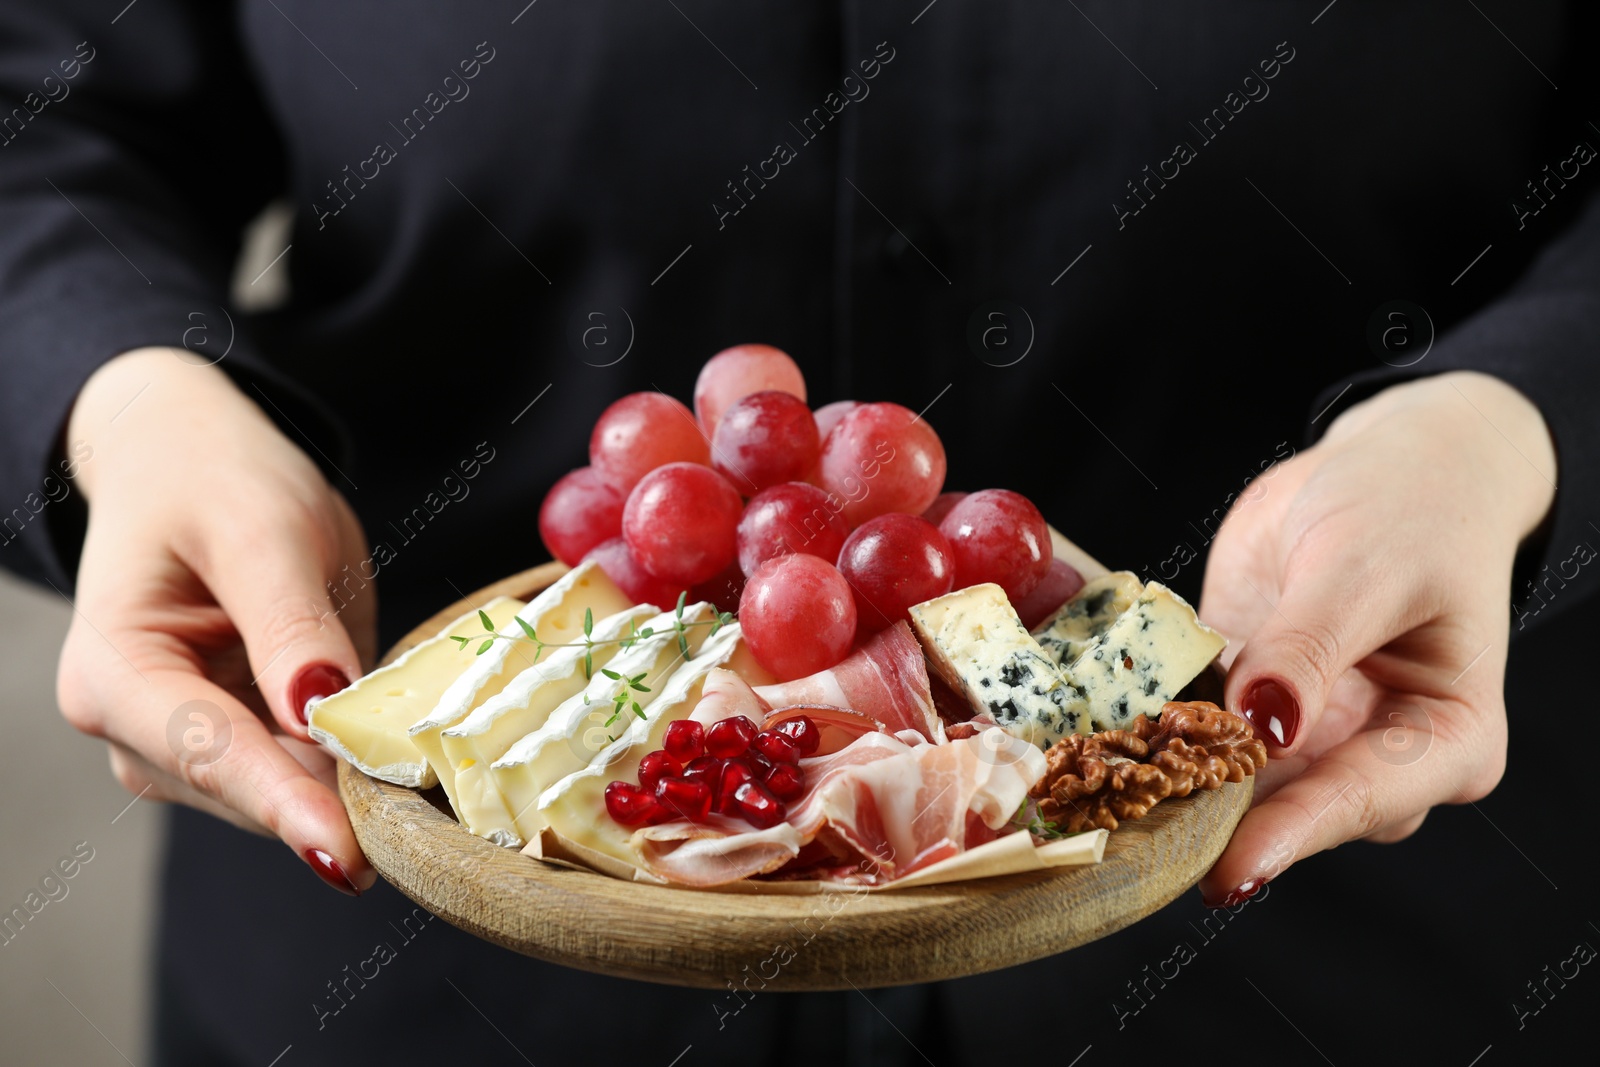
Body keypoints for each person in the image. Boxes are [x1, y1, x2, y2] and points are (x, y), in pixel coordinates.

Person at [2, 3, 1594, 1064]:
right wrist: (120, 396)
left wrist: (1517, 413)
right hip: (434, 964)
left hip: (1343, 974)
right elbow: (41, 105)